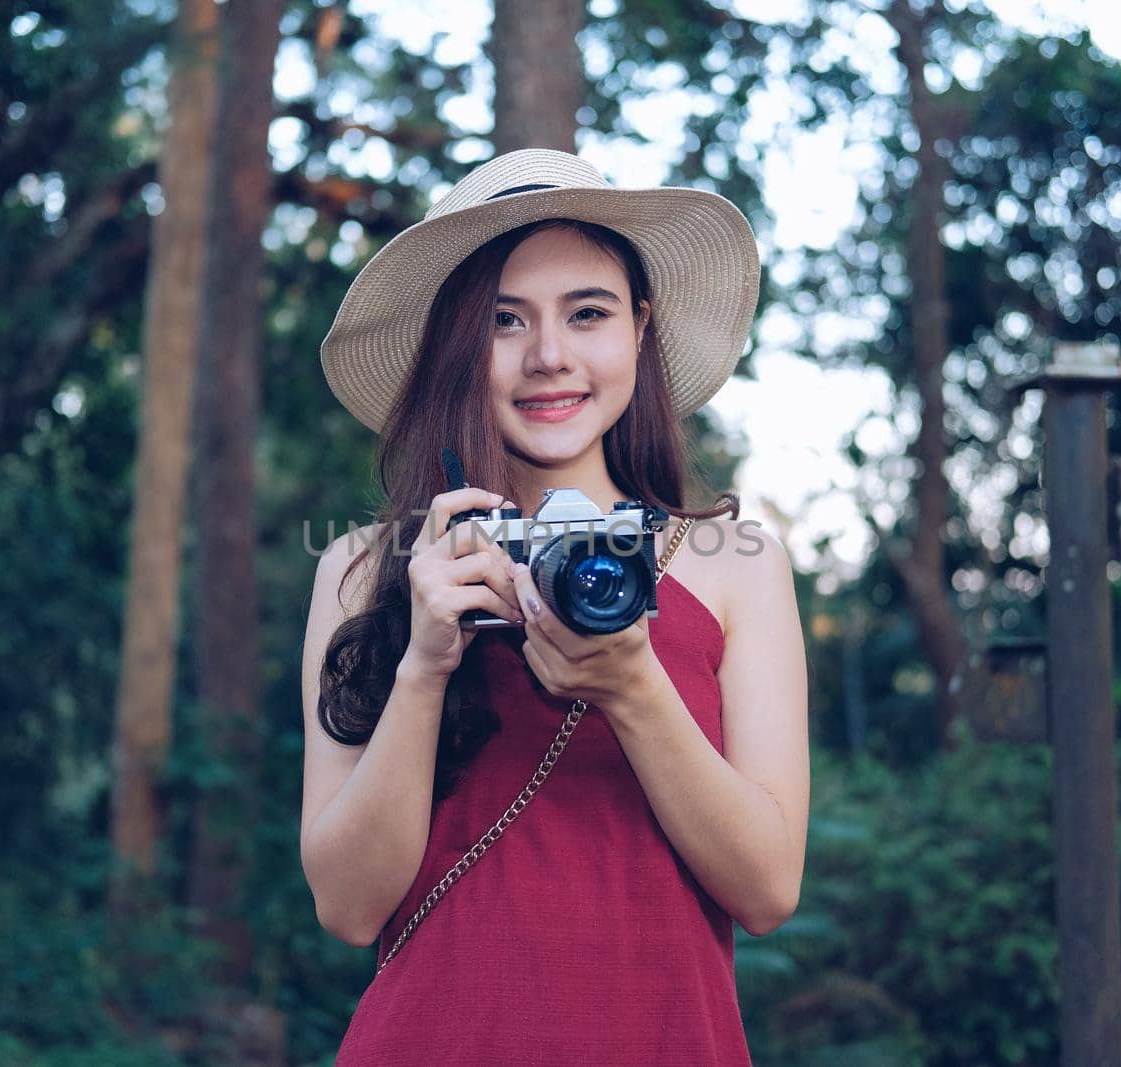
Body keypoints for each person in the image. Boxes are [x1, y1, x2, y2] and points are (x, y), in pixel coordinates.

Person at [300, 149, 809, 1065]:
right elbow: (346, 906)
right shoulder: (363, 567)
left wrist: (635, 688)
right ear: (458, 346)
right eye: (503, 321)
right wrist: (423, 663)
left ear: (640, 328)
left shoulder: (734, 563)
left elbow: (768, 889)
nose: (549, 356)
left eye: (589, 313)